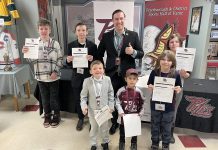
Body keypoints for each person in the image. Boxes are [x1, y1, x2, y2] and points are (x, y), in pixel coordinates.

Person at [98, 9, 144, 135]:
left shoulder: (133, 35)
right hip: (111, 74)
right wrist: (101, 70)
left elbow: (141, 54)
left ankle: (126, 123)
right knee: (112, 100)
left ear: (124, 19)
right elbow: (99, 54)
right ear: (113, 21)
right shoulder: (106, 36)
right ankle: (114, 123)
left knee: (127, 100)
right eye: (116, 19)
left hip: (128, 76)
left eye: (121, 18)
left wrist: (133, 52)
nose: (119, 21)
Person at [22, 18, 63, 128]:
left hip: (53, 77)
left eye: (46, 28)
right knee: (44, 98)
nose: (43, 31)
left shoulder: (55, 44)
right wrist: (26, 53)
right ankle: (47, 115)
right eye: (41, 28)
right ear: (38, 30)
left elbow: (60, 59)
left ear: (50, 30)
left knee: (54, 98)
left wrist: (56, 71)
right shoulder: (34, 44)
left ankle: (56, 115)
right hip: (40, 77)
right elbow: (30, 61)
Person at [147, 50, 182, 150]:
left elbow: (179, 87)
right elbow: (149, 85)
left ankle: (166, 144)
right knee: (155, 124)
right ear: (159, 60)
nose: (165, 62)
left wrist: (178, 89)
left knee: (167, 125)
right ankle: (155, 142)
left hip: (169, 106)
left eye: (169, 60)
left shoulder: (176, 74)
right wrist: (150, 86)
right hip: (155, 104)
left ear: (173, 62)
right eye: (163, 59)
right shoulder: (154, 72)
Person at [66, 22, 97, 131]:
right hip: (76, 77)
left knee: (91, 99)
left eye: (83, 30)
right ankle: (80, 118)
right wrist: (68, 60)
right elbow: (69, 64)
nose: (81, 32)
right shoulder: (71, 45)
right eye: (79, 30)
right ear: (75, 32)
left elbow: (98, 63)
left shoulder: (93, 46)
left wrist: (92, 59)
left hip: (89, 77)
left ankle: (91, 119)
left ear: (87, 32)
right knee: (78, 99)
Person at [80, 60, 114, 150]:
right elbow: (83, 97)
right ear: (91, 71)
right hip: (92, 110)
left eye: (100, 68)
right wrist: (84, 106)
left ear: (103, 70)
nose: (97, 70)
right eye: (94, 69)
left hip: (105, 110)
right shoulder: (86, 81)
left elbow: (111, 94)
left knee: (105, 128)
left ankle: (105, 142)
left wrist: (111, 106)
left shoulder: (108, 79)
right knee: (93, 128)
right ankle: (93, 143)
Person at [166, 33, 190, 143]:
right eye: (171, 42)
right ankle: (163, 130)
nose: (174, 44)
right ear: (168, 44)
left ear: (180, 43)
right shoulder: (164, 55)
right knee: (163, 110)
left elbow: (188, 75)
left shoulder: (186, 55)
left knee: (173, 111)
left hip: (178, 88)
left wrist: (184, 74)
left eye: (176, 41)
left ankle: (170, 132)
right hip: (165, 87)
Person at [116, 68, 145, 150]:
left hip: (134, 117)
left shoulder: (139, 92)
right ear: (125, 79)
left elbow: (143, 103)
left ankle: (134, 143)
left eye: (134, 79)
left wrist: (141, 112)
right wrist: (120, 111)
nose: (132, 81)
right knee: (122, 132)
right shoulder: (121, 91)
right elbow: (117, 102)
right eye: (130, 78)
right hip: (123, 117)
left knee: (134, 132)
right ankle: (122, 142)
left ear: (137, 80)